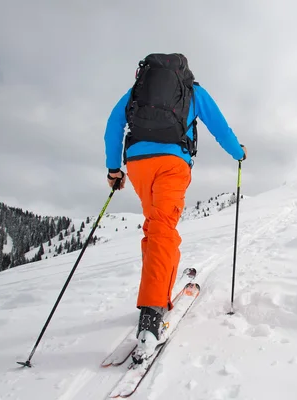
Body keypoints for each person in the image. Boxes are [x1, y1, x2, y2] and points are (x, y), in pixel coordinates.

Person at [103, 53, 246, 363]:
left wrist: (114, 170)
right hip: (172, 163)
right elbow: (220, 129)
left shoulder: (136, 92)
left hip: (138, 164)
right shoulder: (194, 92)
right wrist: (239, 153)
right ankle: (152, 314)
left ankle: (160, 292)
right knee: (163, 228)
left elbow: (113, 128)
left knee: (156, 226)